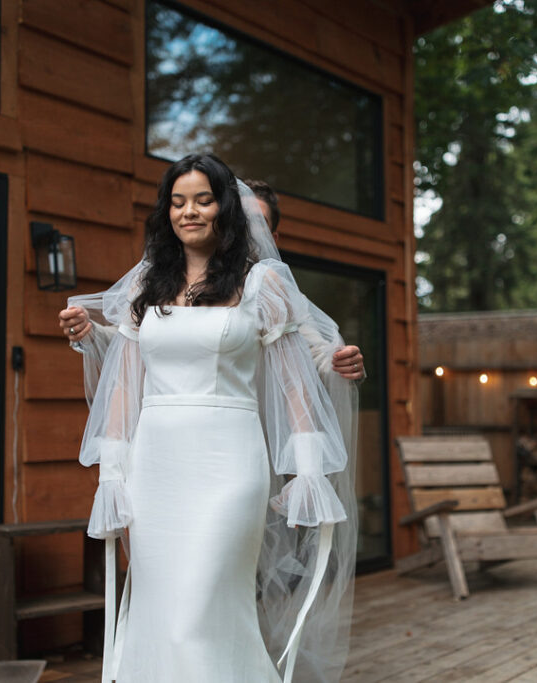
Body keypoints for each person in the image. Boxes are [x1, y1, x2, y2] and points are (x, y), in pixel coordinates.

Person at [68, 153, 358, 682]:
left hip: (230, 463)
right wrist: (111, 471)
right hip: (155, 466)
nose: (189, 212)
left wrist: (310, 469)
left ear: (225, 208)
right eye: (178, 202)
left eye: (203, 200)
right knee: (163, 607)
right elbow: (126, 382)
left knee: (204, 602)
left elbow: (293, 383)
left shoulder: (263, 284)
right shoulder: (144, 286)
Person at [59, 180, 366, 381]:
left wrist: (339, 364)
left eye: (256, 223)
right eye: (237, 219)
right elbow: (133, 339)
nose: (244, 230)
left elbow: (313, 352)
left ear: (272, 238)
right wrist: (90, 333)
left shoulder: (275, 291)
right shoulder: (170, 281)